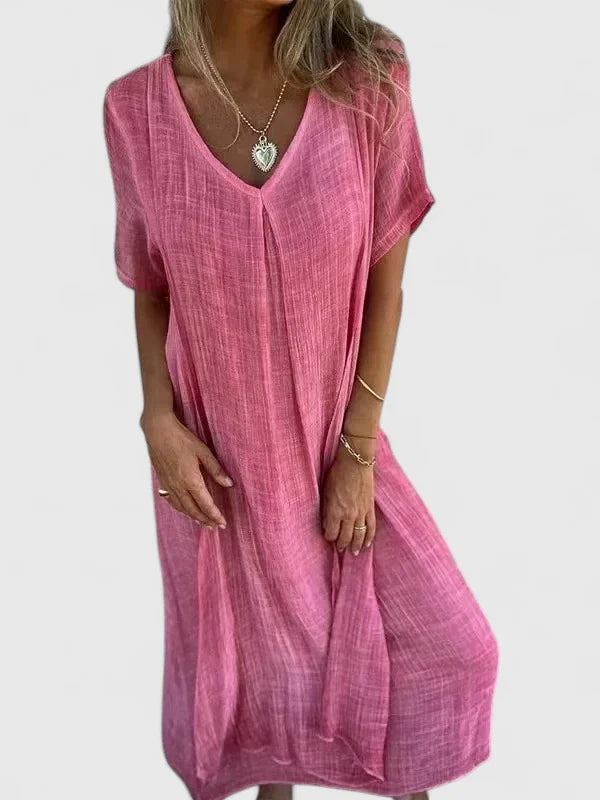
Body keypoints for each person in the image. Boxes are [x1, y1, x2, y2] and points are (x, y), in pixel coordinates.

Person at [102, 2, 499, 800]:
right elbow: (150, 285)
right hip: (215, 465)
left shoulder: (368, 81)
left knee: (449, 651)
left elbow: (386, 280)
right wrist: (157, 420)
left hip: (332, 447)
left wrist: (357, 450)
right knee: (256, 683)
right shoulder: (136, 108)